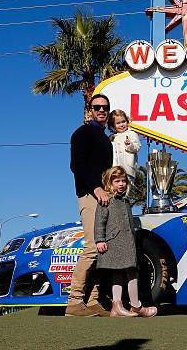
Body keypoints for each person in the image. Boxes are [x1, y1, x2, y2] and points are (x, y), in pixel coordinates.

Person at [66, 93, 113, 317]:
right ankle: (74, 301)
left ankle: (93, 300)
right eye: (97, 107)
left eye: (105, 107)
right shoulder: (82, 133)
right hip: (90, 195)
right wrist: (95, 187)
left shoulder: (105, 139)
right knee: (93, 247)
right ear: (90, 110)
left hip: (106, 197)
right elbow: (77, 166)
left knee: (103, 250)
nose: (101, 110)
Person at [95, 166, 157, 318]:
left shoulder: (126, 201)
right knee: (124, 273)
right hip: (114, 242)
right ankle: (134, 306)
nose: (121, 184)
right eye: (117, 181)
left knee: (130, 272)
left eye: (123, 181)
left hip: (127, 243)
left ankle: (118, 306)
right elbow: (99, 222)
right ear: (110, 183)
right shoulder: (106, 200)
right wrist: (99, 240)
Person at [108, 109, 141, 196]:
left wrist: (129, 145)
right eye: (118, 123)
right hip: (115, 168)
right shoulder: (112, 137)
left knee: (127, 190)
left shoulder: (131, 134)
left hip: (128, 169)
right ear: (113, 126)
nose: (122, 125)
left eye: (123, 122)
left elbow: (137, 147)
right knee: (114, 190)